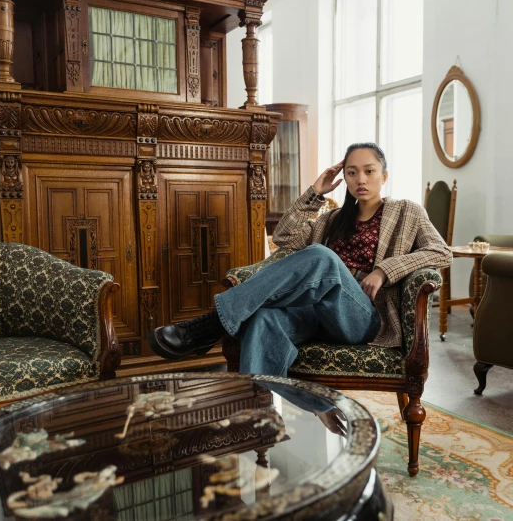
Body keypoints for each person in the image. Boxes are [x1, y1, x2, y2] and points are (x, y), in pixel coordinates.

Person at [147, 142, 453, 378]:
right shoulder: (332, 218)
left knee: (322, 257)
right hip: (316, 315)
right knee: (265, 319)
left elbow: (441, 251)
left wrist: (385, 271)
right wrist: (315, 192)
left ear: (384, 175)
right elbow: (283, 237)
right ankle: (259, 412)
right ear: (343, 177)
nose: (361, 178)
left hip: (364, 317)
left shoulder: (407, 211)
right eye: (351, 172)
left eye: (369, 170)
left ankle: (211, 325)